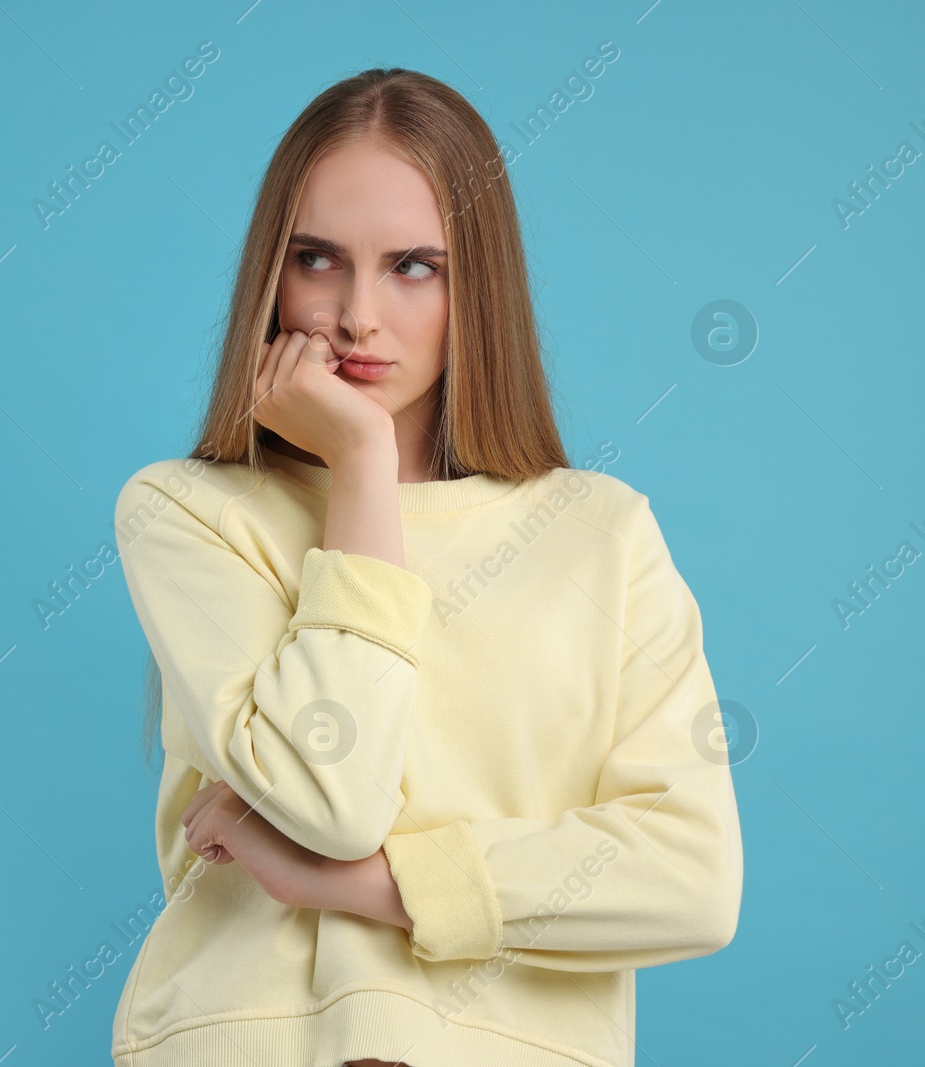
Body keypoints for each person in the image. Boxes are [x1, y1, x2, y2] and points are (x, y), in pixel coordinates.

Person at [109, 67, 743, 1067]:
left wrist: (343, 881)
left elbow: (689, 880)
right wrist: (360, 462)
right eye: (317, 258)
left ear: (474, 285)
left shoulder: (600, 533)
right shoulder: (191, 510)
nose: (356, 314)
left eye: (412, 266)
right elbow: (333, 797)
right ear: (270, 275)